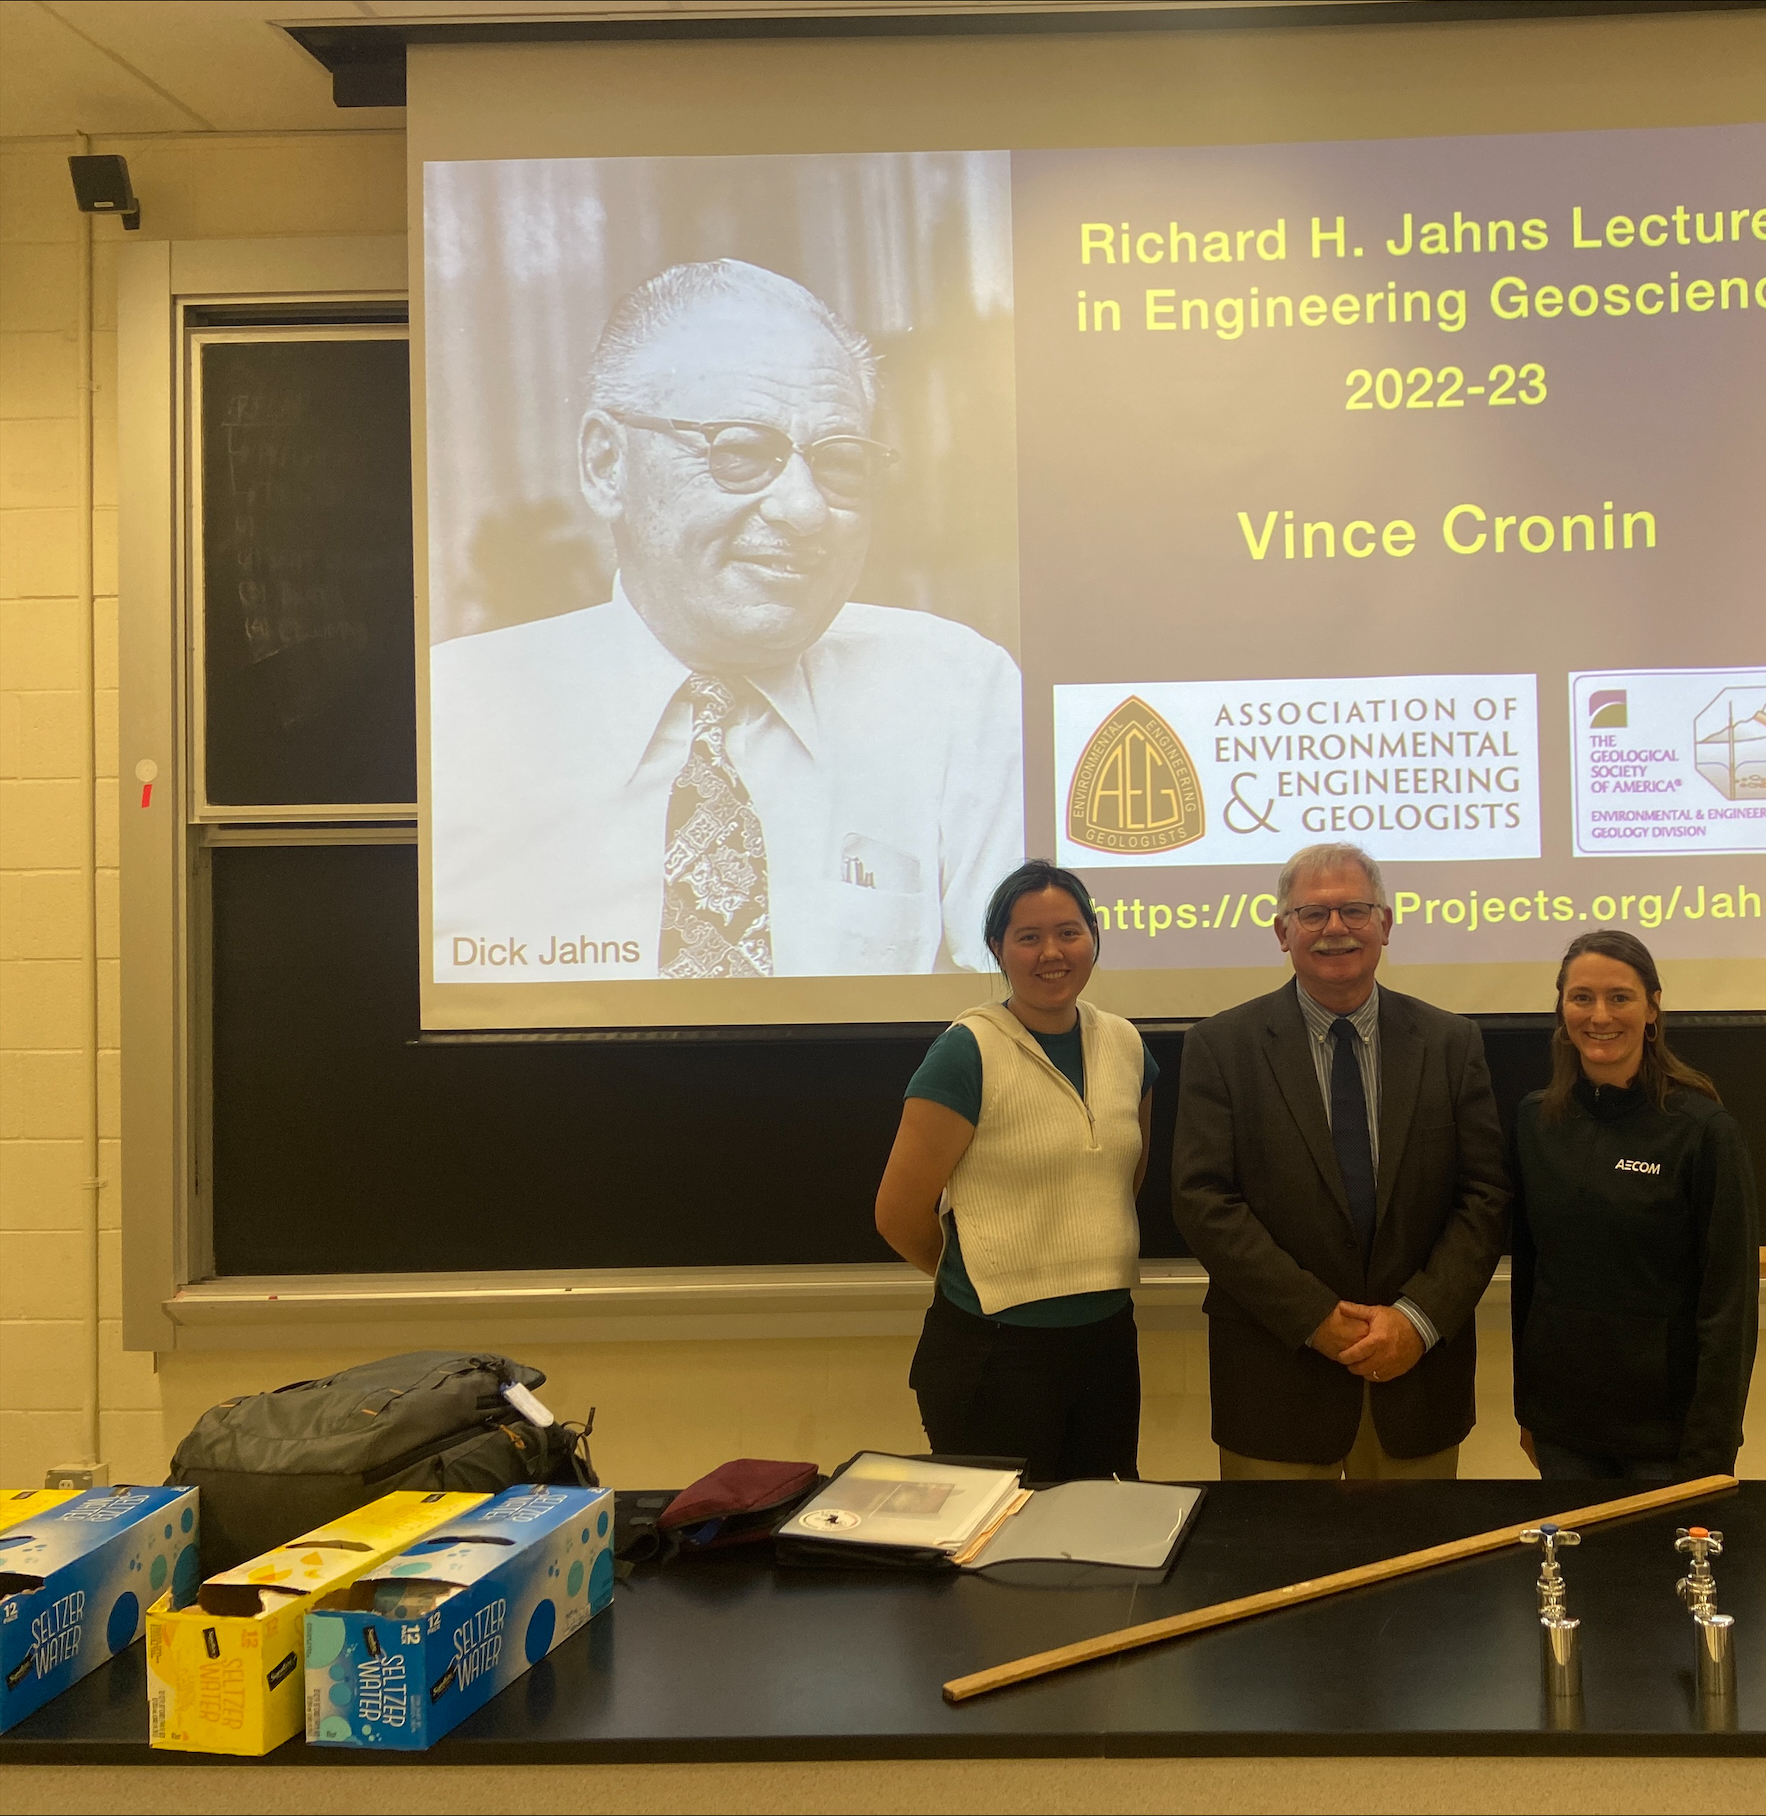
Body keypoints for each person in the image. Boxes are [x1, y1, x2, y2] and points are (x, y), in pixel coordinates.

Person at [430, 258, 1023, 981]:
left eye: (838, 464)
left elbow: (1020, 1019)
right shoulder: (454, 715)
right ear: (606, 464)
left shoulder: (954, 692)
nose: (805, 510)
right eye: (741, 452)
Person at [1173, 843, 1507, 1480]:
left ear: (1385, 924)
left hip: (1416, 1379)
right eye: (1312, 914)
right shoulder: (1220, 1047)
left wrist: (1419, 1319)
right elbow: (1203, 1201)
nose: (1335, 929)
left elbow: (1485, 1197)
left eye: (1354, 910)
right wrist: (1315, 1318)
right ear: (1281, 931)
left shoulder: (1450, 1043)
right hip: (1277, 1379)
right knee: (1280, 1576)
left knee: (1417, 1575)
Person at [874, 861, 1153, 1480]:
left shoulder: (1127, 1045)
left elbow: (1121, 1180)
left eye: (1069, 932)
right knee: (998, 1553)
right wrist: (985, 1272)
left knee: (1098, 1540)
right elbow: (897, 1214)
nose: (1051, 952)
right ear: (998, 948)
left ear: (1094, 937)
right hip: (993, 1354)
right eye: (1028, 937)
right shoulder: (965, 1052)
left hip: (1107, 1345)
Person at [1509, 930, 1759, 1483]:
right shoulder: (1535, 1122)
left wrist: (1711, 1452)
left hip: (1666, 1445)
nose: (1600, 1016)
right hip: (1562, 1433)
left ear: (1652, 1008)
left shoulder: (1703, 1132)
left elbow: (1729, 1308)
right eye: (1582, 998)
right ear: (1562, 1009)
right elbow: (1530, 1276)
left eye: (1619, 997)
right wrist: (1527, 1408)